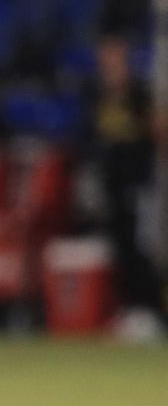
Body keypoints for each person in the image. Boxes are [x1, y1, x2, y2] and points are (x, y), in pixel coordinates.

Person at [80, 30, 166, 341]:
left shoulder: (139, 94)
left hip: (138, 183)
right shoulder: (96, 93)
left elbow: (158, 131)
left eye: (115, 56)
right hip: (110, 183)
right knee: (119, 246)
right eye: (105, 56)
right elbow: (91, 138)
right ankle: (131, 310)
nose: (110, 63)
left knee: (141, 247)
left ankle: (149, 312)